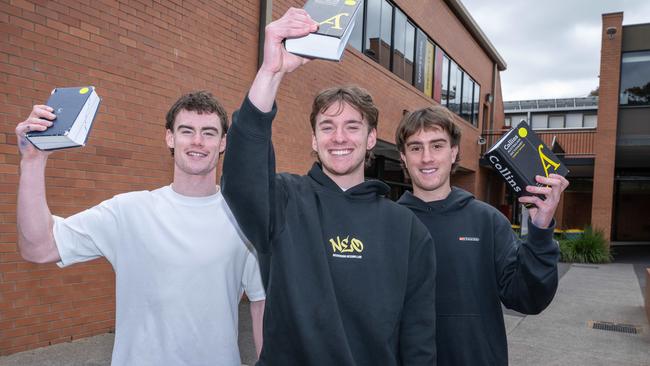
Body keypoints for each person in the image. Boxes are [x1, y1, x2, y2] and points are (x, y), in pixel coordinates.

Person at [220, 7, 436, 366]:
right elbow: (241, 176)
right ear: (314, 140)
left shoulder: (408, 229)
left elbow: (418, 342)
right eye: (327, 126)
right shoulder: (284, 201)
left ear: (370, 139)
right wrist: (270, 72)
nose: (339, 137)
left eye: (353, 126)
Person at [15, 91, 265, 365]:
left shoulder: (244, 218)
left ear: (222, 142)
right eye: (186, 131)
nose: (197, 141)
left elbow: (260, 303)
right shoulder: (129, 211)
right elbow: (38, 247)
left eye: (208, 132)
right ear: (170, 137)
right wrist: (32, 161)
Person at [395, 106, 568, 366]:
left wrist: (540, 232)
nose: (426, 158)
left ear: (454, 153)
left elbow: (528, 299)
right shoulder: (387, 224)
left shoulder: (488, 221)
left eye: (437, 145)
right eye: (416, 147)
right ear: (403, 157)